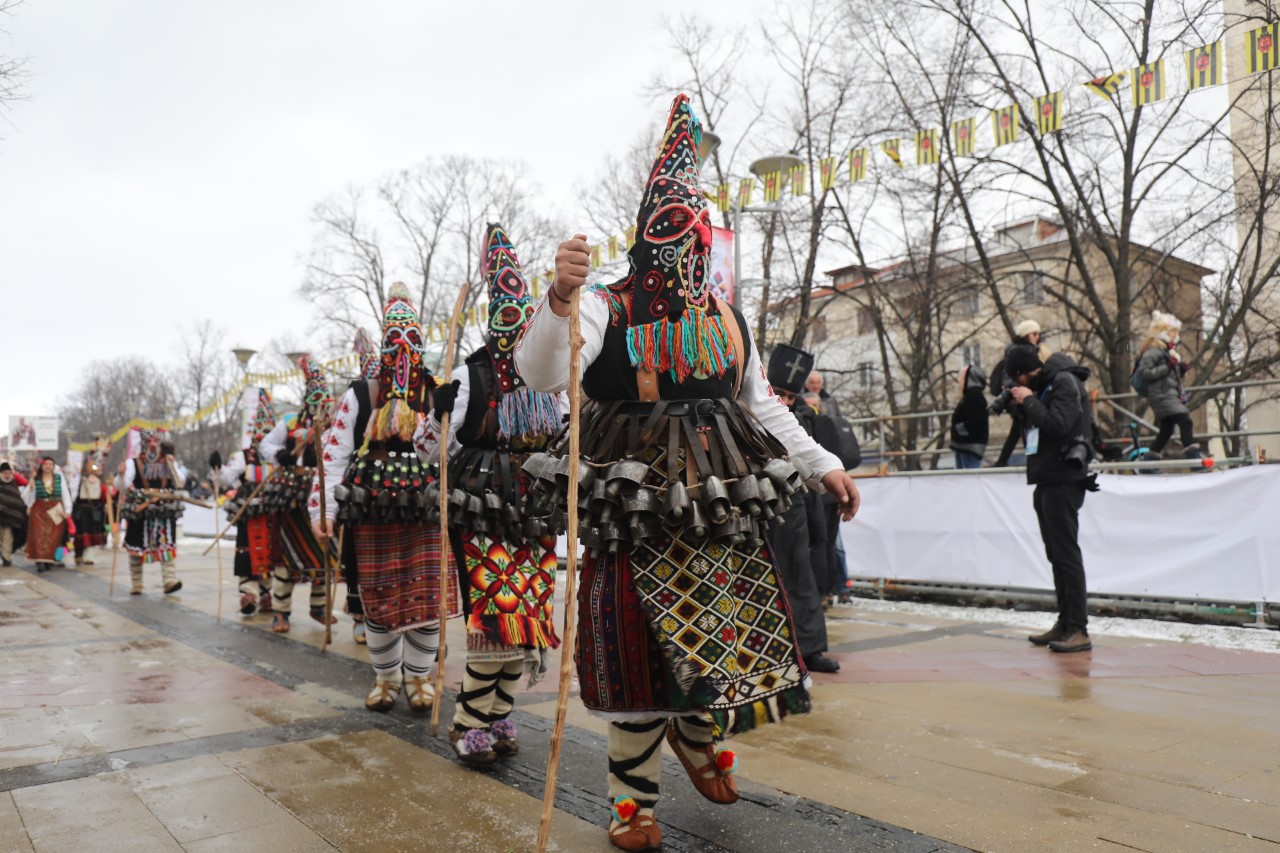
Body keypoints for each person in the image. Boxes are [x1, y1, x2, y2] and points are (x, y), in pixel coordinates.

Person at [515, 94, 860, 852]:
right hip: (630, 503)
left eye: (697, 229)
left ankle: (697, 735)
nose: (688, 246)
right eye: (673, 227)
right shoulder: (605, 304)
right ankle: (631, 801)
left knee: (718, 632)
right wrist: (559, 297)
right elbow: (542, 370)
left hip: (714, 499)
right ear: (644, 233)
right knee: (633, 645)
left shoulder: (727, 319)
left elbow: (761, 404)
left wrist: (824, 462)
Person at [414, 222, 566, 768]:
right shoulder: (469, 374)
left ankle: (498, 712)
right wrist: (437, 413)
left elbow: (570, 432)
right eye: (505, 316)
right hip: (481, 509)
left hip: (535, 512)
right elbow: (428, 448)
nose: (515, 327)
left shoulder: (552, 377)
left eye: (521, 315)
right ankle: (469, 721)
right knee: (496, 616)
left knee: (527, 619)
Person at [312, 282, 458, 714]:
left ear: (422, 343)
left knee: (428, 600)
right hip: (371, 507)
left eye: (412, 341)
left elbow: (454, 451)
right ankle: (385, 680)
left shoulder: (439, 391)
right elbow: (333, 453)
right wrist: (325, 509)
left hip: (426, 507)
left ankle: (419, 681)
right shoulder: (361, 393)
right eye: (395, 341)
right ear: (383, 342)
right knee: (376, 598)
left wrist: (447, 412)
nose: (403, 351)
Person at [1005, 345, 1098, 654]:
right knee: (1056, 555)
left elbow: (1058, 424)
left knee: (1067, 554)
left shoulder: (1063, 383)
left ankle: (1078, 629)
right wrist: (1021, 406)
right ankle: (1065, 622)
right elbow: (1037, 427)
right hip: (1047, 479)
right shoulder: (1045, 386)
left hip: (1064, 480)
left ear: (1026, 371)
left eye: (1018, 376)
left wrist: (1029, 401)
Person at [768, 351, 840, 673]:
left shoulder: (802, 420)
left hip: (793, 501)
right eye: (777, 394)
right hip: (754, 503)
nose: (783, 402)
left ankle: (809, 647)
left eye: (790, 396)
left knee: (800, 571)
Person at [260, 355, 337, 634]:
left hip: (322, 493)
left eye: (324, 399)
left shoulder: (336, 425)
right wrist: (281, 455)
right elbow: (265, 446)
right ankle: (281, 612)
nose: (320, 404)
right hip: (292, 495)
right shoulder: (290, 422)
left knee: (323, 552)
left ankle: (318, 606)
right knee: (287, 556)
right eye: (315, 399)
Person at [218, 388, 278, 615]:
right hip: (249, 511)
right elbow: (226, 478)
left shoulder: (279, 455)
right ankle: (248, 592)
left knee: (272, 552)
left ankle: (266, 593)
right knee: (248, 550)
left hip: (273, 511)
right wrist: (217, 468)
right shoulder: (244, 457)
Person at [118, 430, 185, 594]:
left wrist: (172, 466)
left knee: (166, 543)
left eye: (156, 441)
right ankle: (137, 583)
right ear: (143, 443)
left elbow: (180, 482)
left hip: (163, 510)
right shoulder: (133, 462)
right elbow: (123, 486)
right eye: (149, 441)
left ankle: (169, 580)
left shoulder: (168, 461)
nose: (153, 445)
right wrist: (121, 475)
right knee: (136, 546)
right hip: (141, 510)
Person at [1136, 312, 1199, 460]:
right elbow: (1146, 373)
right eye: (1172, 331)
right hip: (1161, 395)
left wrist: (1180, 370)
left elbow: (1170, 377)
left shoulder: (1167, 352)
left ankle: (1149, 460)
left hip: (1168, 394)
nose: (1174, 335)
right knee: (1185, 420)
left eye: (1175, 332)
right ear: (1163, 333)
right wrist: (1168, 366)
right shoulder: (1153, 352)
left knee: (1167, 429)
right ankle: (1192, 457)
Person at [991, 320, 1051, 467]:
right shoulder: (1023, 351)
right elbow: (1011, 375)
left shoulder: (1020, 349)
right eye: (1034, 333)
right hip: (1021, 396)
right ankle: (1030, 460)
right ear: (1025, 334)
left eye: (1038, 334)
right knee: (1025, 428)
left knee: (1020, 430)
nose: (1037, 337)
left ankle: (1005, 461)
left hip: (1022, 395)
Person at [23, 456, 72, 572]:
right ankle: (40, 560)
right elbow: (28, 496)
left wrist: (68, 509)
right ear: (42, 466)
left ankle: (49, 559)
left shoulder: (59, 478)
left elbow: (65, 494)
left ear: (53, 467)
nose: (48, 466)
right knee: (39, 535)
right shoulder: (36, 478)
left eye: (50, 464)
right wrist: (30, 489)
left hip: (55, 508)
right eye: (46, 464)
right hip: (39, 509)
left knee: (52, 535)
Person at [70, 455, 111, 566]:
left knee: (93, 534)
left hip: (95, 512)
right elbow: (74, 496)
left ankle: (88, 557)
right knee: (81, 535)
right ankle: (78, 555)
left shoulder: (100, 483)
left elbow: (104, 497)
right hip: (82, 512)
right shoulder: (80, 481)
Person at [950, 364, 989, 469]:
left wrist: (960, 429)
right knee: (964, 477)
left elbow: (976, 421)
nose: (959, 381)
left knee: (969, 477)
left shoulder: (974, 395)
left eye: (961, 377)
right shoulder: (970, 395)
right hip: (965, 445)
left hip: (969, 445)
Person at [0, 462, 29, 566]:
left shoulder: (13, 484)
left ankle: (6, 558)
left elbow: (17, 501)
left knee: (8, 538)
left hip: (10, 519)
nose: (7, 475)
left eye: (9, 473)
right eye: (5, 473)